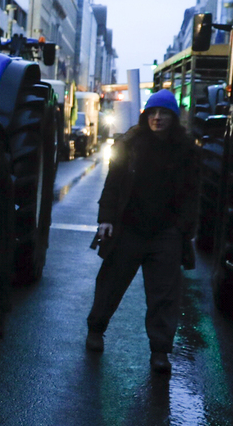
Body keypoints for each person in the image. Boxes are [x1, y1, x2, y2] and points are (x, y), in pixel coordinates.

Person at [84, 89, 199, 374]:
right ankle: (96, 331)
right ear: (146, 115)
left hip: (166, 233)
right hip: (129, 228)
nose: (158, 118)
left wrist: (183, 228)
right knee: (110, 284)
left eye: (164, 114)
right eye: (153, 113)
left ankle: (160, 351)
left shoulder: (187, 151)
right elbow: (113, 184)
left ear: (173, 117)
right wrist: (107, 219)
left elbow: (193, 193)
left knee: (164, 295)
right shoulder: (130, 144)